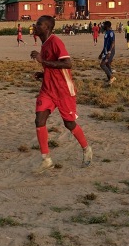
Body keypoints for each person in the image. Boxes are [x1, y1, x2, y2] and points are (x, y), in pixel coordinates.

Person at [29, 16, 92, 173]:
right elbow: (53, 67)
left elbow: (67, 63)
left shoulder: (55, 42)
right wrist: (43, 74)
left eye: (39, 24)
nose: (35, 26)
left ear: (47, 28)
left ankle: (86, 148)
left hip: (64, 91)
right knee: (39, 120)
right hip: (48, 90)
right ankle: (46, 160)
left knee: (69, 124)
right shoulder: (44, 44)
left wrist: (42, 61)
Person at [99, 20, 116, 85]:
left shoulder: (111, 33)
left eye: (104, 25)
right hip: (105, 51)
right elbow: (105, 44)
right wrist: (101, 53)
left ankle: (111, 77)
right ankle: (110, 79)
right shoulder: (106, 33)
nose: (103, 26)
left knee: (102, 64)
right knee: (107, 64)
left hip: (110, 51)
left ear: (107, 26)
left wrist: (109, 52)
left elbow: (113, 42)